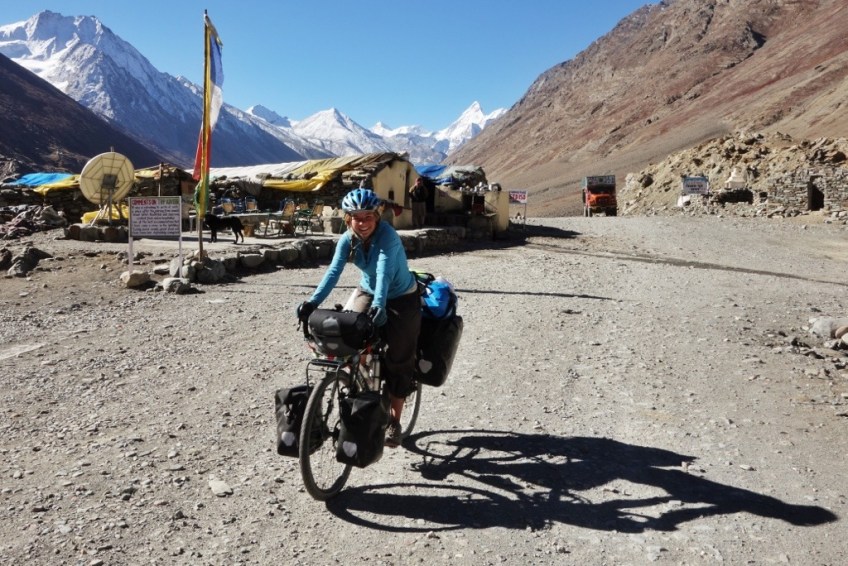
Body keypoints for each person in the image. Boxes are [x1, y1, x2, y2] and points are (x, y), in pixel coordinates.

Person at [296, 188, 421, 448]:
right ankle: (360, 382)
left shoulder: (388, 236)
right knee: (349, 337)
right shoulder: (347, 239)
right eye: (356, 217)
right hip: (368, 290)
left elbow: (384, 272)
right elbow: (333, 271)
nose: (362, 223)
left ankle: (394, 422)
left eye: (367, 217)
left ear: (377, 217)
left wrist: (379, 306)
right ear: (348, 218)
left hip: (401, 296)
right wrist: (312, 303)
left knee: (399, 358)